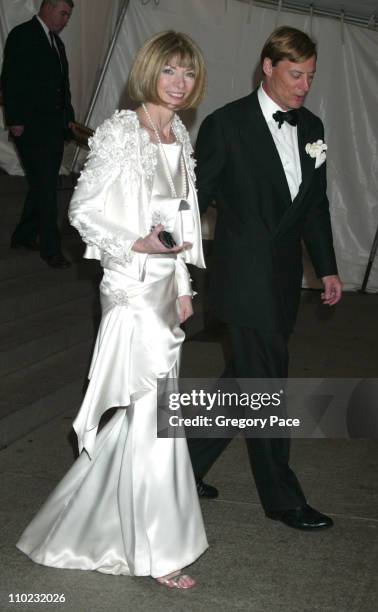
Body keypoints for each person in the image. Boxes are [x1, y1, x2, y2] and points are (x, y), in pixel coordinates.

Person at [16, 30, 208, 589]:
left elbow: (180, 218)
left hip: (163, 289)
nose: (179, 84)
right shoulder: (123, 131)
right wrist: (137, 246)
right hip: (128, 285)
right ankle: (156, 550)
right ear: (148, 71)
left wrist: (182, 281)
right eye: (170, 71)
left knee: (151, 413)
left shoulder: (177, 133)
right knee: (153, 414)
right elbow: (83, 211)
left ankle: (89, 524)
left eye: (189, 74)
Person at [189, 26, 343, 530]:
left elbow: (314, 207)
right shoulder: (226, 124)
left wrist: (327, 268)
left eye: (311, 76)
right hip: (241, 280)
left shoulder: (314, 127)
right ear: (268, 66)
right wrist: (171, 263)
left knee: (242, 386)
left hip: (281, 282)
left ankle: (181, 468)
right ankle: (283, 499)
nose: (304, 86)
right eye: (295, 74)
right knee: (267, 388)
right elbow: (196, 200)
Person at [1, 0, 75, 268]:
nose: (66, 20)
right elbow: (10, 79)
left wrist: (68, 119)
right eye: (63, 13)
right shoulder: (23, 35)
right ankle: (50, 248)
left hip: (54, 127)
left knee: (42, 184)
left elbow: (62, 86)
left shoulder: (57, 44)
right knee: (46, 187)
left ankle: (22, 235)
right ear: (48, 7)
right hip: (30, 127)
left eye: (68, 15)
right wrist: (15, 120)